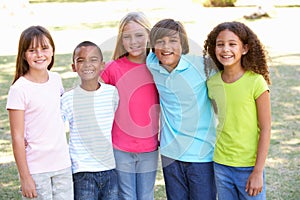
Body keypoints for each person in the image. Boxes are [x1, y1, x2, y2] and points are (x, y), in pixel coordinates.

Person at [146, 18, 216, 200]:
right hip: (170, 155)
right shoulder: (152, 63)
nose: (166, 47)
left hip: (201, 155)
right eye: (160, 42)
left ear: (183, 44)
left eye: (173, 41)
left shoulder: (202, 66)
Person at [203, 21, 271, 199]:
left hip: (249, 166)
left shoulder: (256, 82)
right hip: (221, 164)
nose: (225, 49)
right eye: (220, 44)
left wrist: (258, 171)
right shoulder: (212, 83)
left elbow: (265, 128)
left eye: (232, 44)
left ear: (245, 48)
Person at [6, 25, 73, 199]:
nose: (39, 54)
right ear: (23, 55)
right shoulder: (19, 89)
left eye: (44, 48)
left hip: (62, 165)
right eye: (32, 50)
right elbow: (17, 137)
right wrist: (25, 178)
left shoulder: (56, 80)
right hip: (36, 170)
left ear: (52, 50)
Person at [100, 12, 160, 200]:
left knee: (146, 196)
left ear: (149, 36)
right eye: (127, 37)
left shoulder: (158, 67)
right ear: (121, 40)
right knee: (126, 196)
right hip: (120, 148)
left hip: (149, 147)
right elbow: (92, 98)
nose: (133, 41)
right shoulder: (112, 69)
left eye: (139, 35)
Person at [61, 41, 119, 199]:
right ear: (73, 67)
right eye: (81, 60)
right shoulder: (67, 99)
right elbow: (56, 130)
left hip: (110, 168)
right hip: (82, 172)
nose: (87, 64)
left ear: (102, 65)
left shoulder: (112, 93)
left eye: (93, 59)